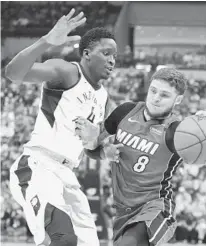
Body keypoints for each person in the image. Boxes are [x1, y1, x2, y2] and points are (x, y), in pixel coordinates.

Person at [75, 67, 206, 246]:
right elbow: (90, 147)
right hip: (122, 211)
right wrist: (103, 152)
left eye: (164, 95)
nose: (156, 98)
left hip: (155, 208)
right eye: (153, 90)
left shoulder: (177, 132)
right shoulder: (125, 112)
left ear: (178, 100)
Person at [5, 8, 117, 246]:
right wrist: (45, 42)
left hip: (67, 175)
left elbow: (90, 148)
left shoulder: (104, 98)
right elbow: (13, 73)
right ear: (86, 54)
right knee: (62, 238)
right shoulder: (67, 71)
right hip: (38, 167)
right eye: (106, 53)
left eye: (114, 56)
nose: (112, 60)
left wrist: (103, 150)